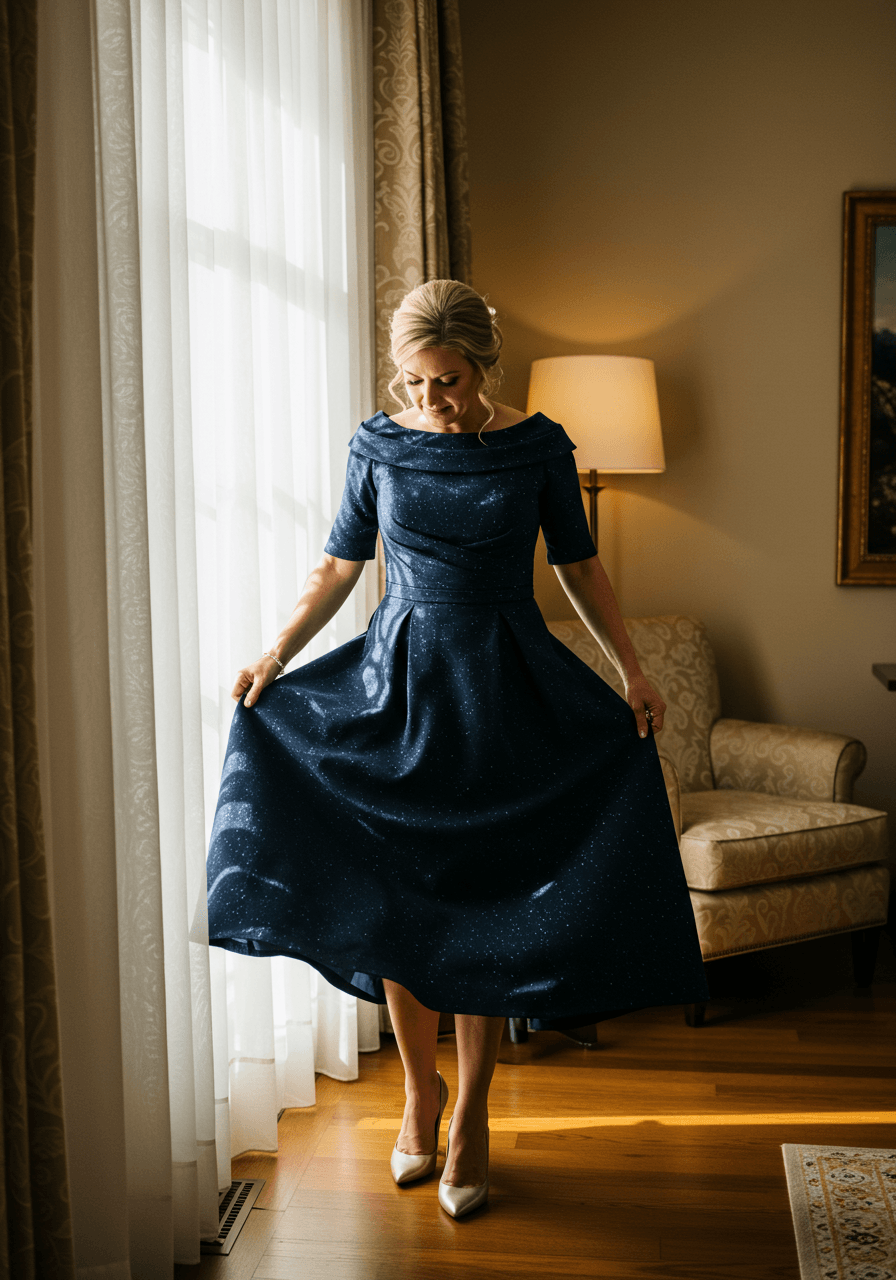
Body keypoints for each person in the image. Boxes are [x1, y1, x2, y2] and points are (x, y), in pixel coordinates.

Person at [205, 279, 709, 1220]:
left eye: (448, 382)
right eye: (414, 383)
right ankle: (419, 1091)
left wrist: (632, 671)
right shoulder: (378, 443)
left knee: (484, 903)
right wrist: (275, 655)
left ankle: (471, 1112)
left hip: (505, 685)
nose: (431, 402)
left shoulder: (538, 445)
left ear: (484, 365)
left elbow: (580, 564)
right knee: (401, 897)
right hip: (396, 686)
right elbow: (339, 564)